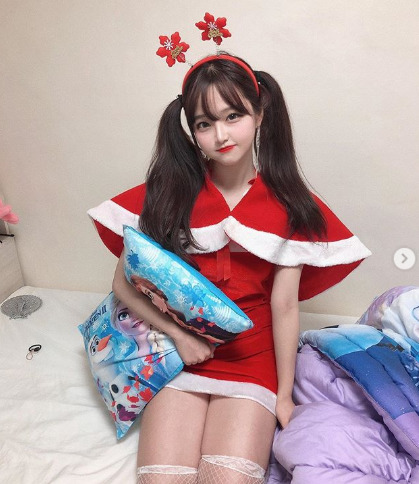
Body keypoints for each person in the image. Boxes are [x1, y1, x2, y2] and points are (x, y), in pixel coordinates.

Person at [88, 51, 371, 483]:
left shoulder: (290, 204)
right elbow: (124, 285)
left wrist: (283, 396)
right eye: (204, 123)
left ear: (259, 113)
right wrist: (181, 337)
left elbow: (284, 307)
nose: (220, 134)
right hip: (179, 356)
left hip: (252, 358)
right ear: (191, 131)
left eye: (233, 115)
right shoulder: (168, 193)